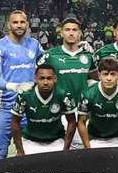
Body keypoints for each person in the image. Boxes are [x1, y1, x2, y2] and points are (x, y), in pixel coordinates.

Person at [0, 10, 43, 160]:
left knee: (33, 153)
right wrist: (16, 87)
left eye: (22, 22)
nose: (19, 25)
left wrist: (77, 48)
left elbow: (49, 63)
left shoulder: (34, 45)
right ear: (8, 25)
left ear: (27, 25)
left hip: (29, 108)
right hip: (6, 109)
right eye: (15, 22)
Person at [38, 17, 96, 148]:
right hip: (59, 112)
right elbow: (37, 77)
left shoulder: (88, 55)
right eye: (67, 30)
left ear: (80, 33)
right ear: (61, 33)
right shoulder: (50, 55)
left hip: (83, 112)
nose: (71, 33)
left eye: (74, 30)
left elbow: (96, 78)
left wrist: (94, 55)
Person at [11, 64, 77, 155]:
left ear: (55, 79)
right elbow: (15, 122)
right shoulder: (24, 95)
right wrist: (20, 150)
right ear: (35, 79)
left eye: (49, 78)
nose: (45, 82)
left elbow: (72, 121)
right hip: (31, 141)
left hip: (56, 141)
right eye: (42, 78)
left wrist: (66, 149)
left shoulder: (64, 95)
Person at [77, 57, 118, 148]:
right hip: (94, 137)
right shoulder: (88, 94)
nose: (109, 78)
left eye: (113, 74)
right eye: (105, 74)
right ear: (99, 76)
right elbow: (81, 122)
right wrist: (88, 148)